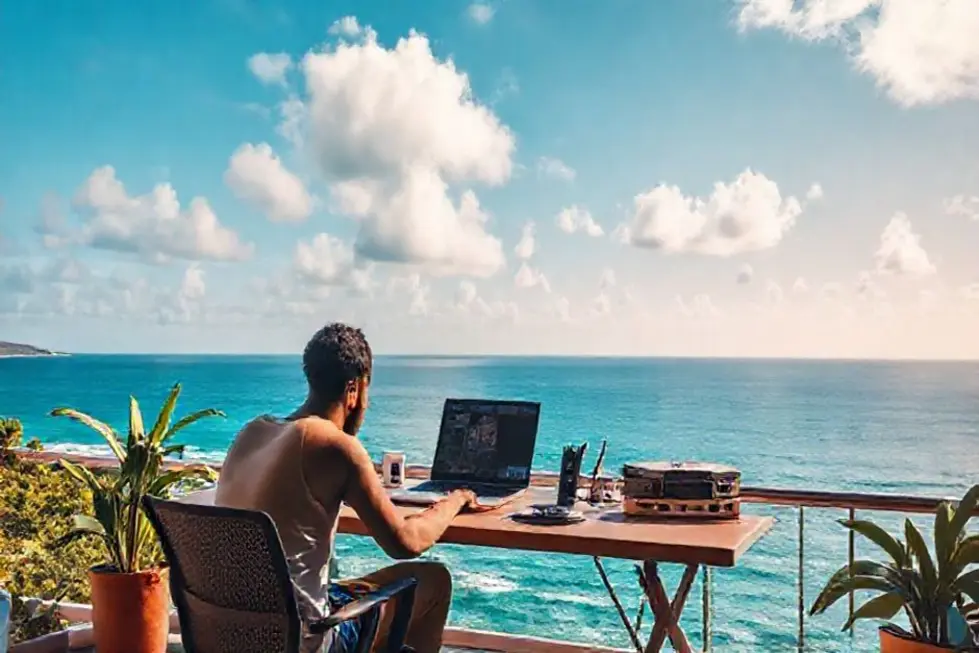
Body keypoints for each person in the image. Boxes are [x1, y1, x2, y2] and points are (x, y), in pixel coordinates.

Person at [214, 323, 476, 653]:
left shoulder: (253, 431)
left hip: (231, 630)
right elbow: (406, 543)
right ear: (353, 389)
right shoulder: (336, 447)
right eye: (366, 392)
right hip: (303, 639)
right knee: (435, 581)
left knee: (349, 593)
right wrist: (455, 500)